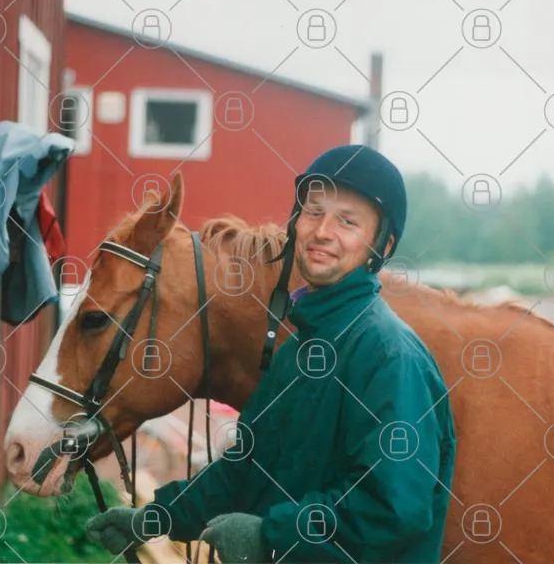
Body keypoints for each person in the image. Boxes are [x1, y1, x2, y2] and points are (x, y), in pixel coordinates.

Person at [87, 145, 457, 563]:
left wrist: (271, 535)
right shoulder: (297, 350)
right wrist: (158, 518)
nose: (322, 231)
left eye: (347, 221)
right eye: (313, 212)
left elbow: (393, 510)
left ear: (381, 246)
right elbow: (245, 468)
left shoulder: (390, 357)